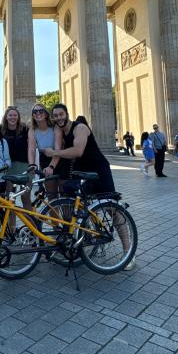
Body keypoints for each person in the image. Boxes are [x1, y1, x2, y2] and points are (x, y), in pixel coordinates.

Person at [44, 103, 136, 271]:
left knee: (112, 210)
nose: (59, 118)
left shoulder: (80, 128)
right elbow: (58, 146)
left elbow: (78, 151)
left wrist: (54, 153)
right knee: (81, 208)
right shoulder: (59, 129)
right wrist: (51, 164)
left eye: (61, 114)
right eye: (55, 116)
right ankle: (89, 241)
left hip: (99, 170)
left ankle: (128, 252)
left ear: (67, 114)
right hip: (82, 173)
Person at [28, 104, 62, 200]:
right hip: (45, 160)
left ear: (46, 114)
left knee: (65, 194)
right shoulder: (32, 130)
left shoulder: (55, 127)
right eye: (35, 111)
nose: (38, 113)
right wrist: (32, 164)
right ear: (33, 115)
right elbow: (31, 149)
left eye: (41, 111)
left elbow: (58, 150)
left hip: (59, 159)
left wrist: (51, 166)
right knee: (51, 196)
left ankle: (67, 215)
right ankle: (53, 215)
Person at [1, 106, 31, 210]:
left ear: (18, 117)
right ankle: (12, 226)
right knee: (10, 200)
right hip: (9, 167)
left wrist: (32, 165)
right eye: (10, 115)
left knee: (26, 197)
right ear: (6, 117)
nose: (12, 117)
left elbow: (31, 148)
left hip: (24, 165)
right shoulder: (1, 131)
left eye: (15, 115)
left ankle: (30, 225)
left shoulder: (25, 129)